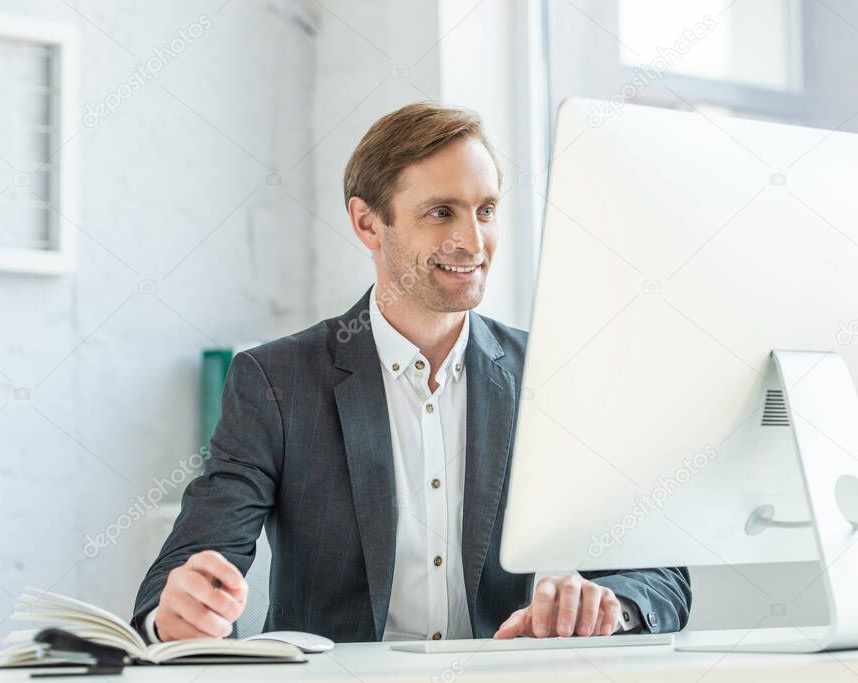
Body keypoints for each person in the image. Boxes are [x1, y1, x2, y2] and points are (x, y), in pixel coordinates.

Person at [132, 102, 691, 643]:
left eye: (487, 210)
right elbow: (187, 569)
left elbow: (660, 574)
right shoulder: (275, 381)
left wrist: (611, 607)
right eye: (441, 212)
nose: (473, 241)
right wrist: (178, 614)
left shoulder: (551, 375)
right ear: (368, 224)